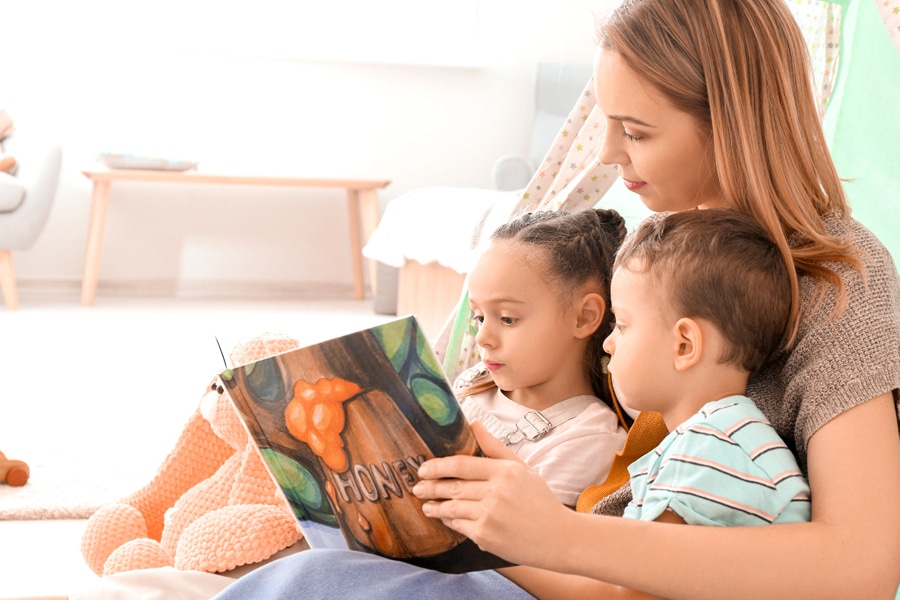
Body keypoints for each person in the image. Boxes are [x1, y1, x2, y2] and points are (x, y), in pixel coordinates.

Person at [211, 0, 900, 597]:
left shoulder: (839, 275)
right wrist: (502, 499)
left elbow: (861, 566)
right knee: (316, 572)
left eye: (635, 131)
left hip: (604, 569)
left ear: (732, 122)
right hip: (581, 561)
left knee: (317, 586)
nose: (606, 154)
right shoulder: (659, 243)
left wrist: (556, 535)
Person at [605, 208, 810, 528]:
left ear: (684, 345)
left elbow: (631, 577)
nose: (608, 343)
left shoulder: (712, 449)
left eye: (621, 325)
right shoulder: (716, 438)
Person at [454, 208, 628, 508]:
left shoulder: (589, 440)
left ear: (584, 317)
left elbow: (530, 543)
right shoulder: (474, 381)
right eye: (479, 316)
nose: (482, 337)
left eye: (507, 318)